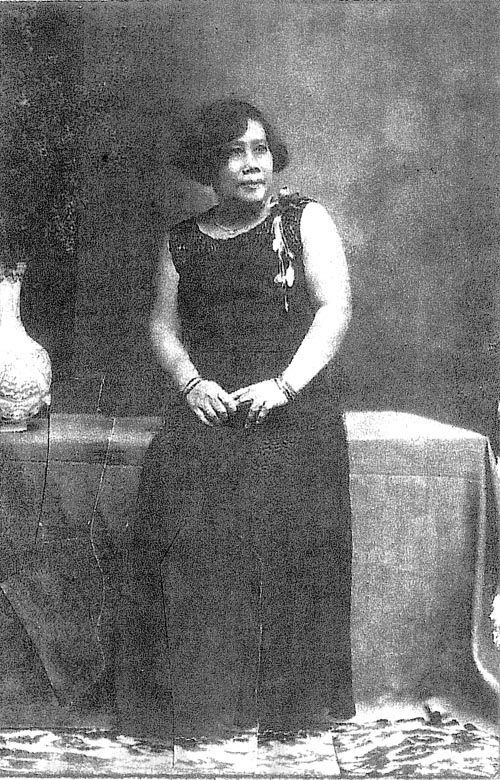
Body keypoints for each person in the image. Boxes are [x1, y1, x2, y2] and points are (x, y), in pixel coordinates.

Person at [119, 99, 354, 745]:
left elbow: (334, 308)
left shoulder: (304, 220)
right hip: (212, 404)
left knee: (290, 540)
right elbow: (162, 327)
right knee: (186, 529)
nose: (252, 165)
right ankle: (200, 705)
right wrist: (192, 384)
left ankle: (290, 709)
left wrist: (284, 386)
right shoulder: (182, 240)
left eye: (260, 149)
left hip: (292, 406)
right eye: (233, 153)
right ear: (207, 165)